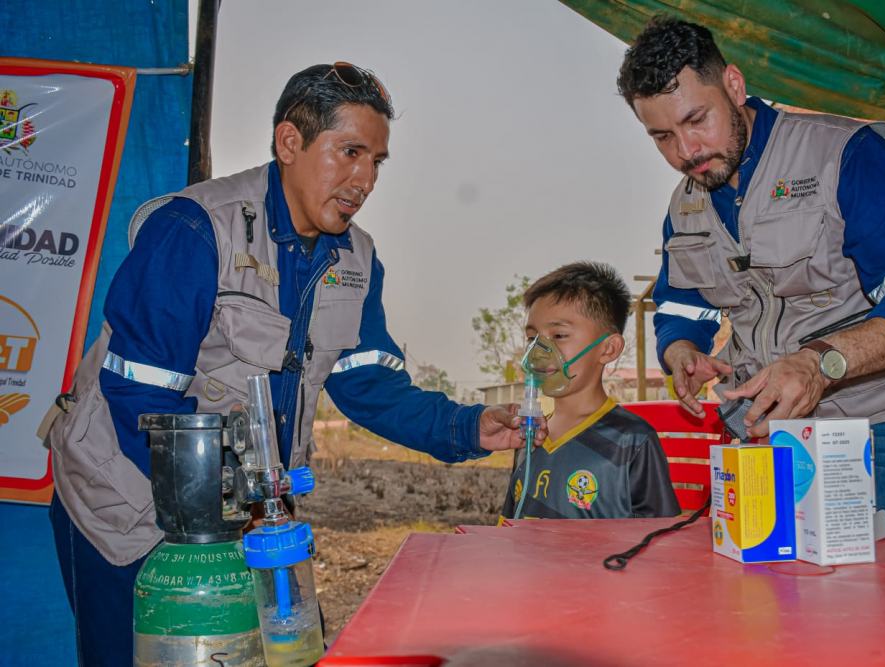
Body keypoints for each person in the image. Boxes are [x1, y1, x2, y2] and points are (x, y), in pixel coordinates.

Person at [43, 62, 544, 667]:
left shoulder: (356, 258)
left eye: (377, 161)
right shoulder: (196, 230)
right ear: (290, 142)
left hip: (247, 518)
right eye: (349, 151)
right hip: (124, 508)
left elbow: (370, 385)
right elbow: (141, 401)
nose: (364, 179)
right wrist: (233, 507)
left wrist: (466, 426)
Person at [616, 18, 885, 518]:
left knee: (865, 586)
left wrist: (819, 363)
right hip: (763, 426)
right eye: (662, 136)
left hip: (872, 421)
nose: (686, 152)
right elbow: (678, 303)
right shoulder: (685, 204)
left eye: (697, 120)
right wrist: (682, 352)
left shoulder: (846, 154)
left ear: (734, 86)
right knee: (768, 586)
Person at [500, 262, 680, 521]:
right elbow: (509, 524)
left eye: (559, 335)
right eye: (533, 338)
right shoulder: (530, 434)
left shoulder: (632, 441)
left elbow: (660, 541)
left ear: (608, 349)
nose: (538, 352)